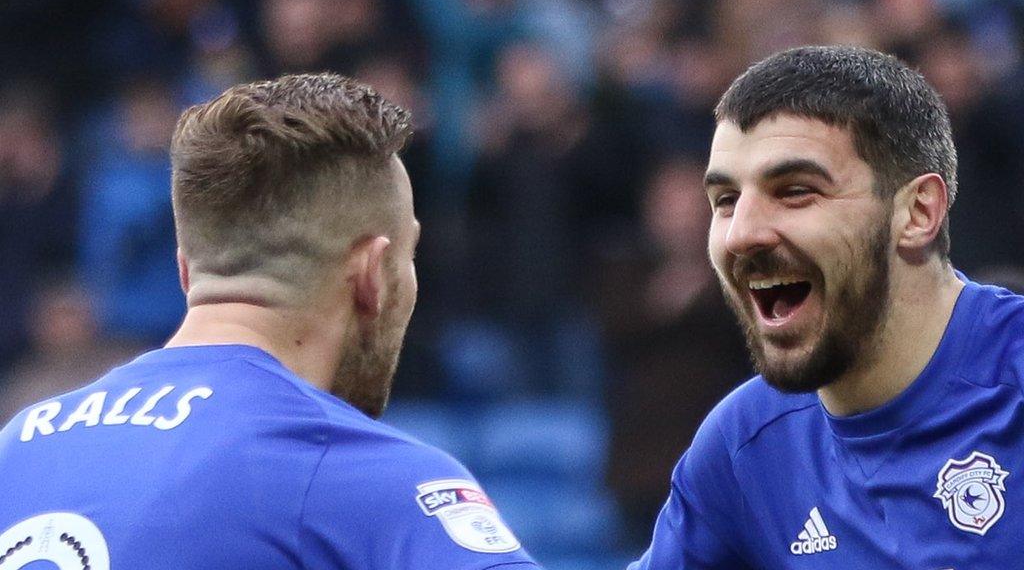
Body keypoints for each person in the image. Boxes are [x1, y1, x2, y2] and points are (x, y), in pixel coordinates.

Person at [0, 73, 538, 570]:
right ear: (372, 274)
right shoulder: (346, 468)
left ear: (187, 271)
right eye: (408, 256)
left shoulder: (17, 447)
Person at [631, 46, 1024, 569]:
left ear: (918, 212)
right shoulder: (745, 446)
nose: (741, 234)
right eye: (725, 200)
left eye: (794, 191)